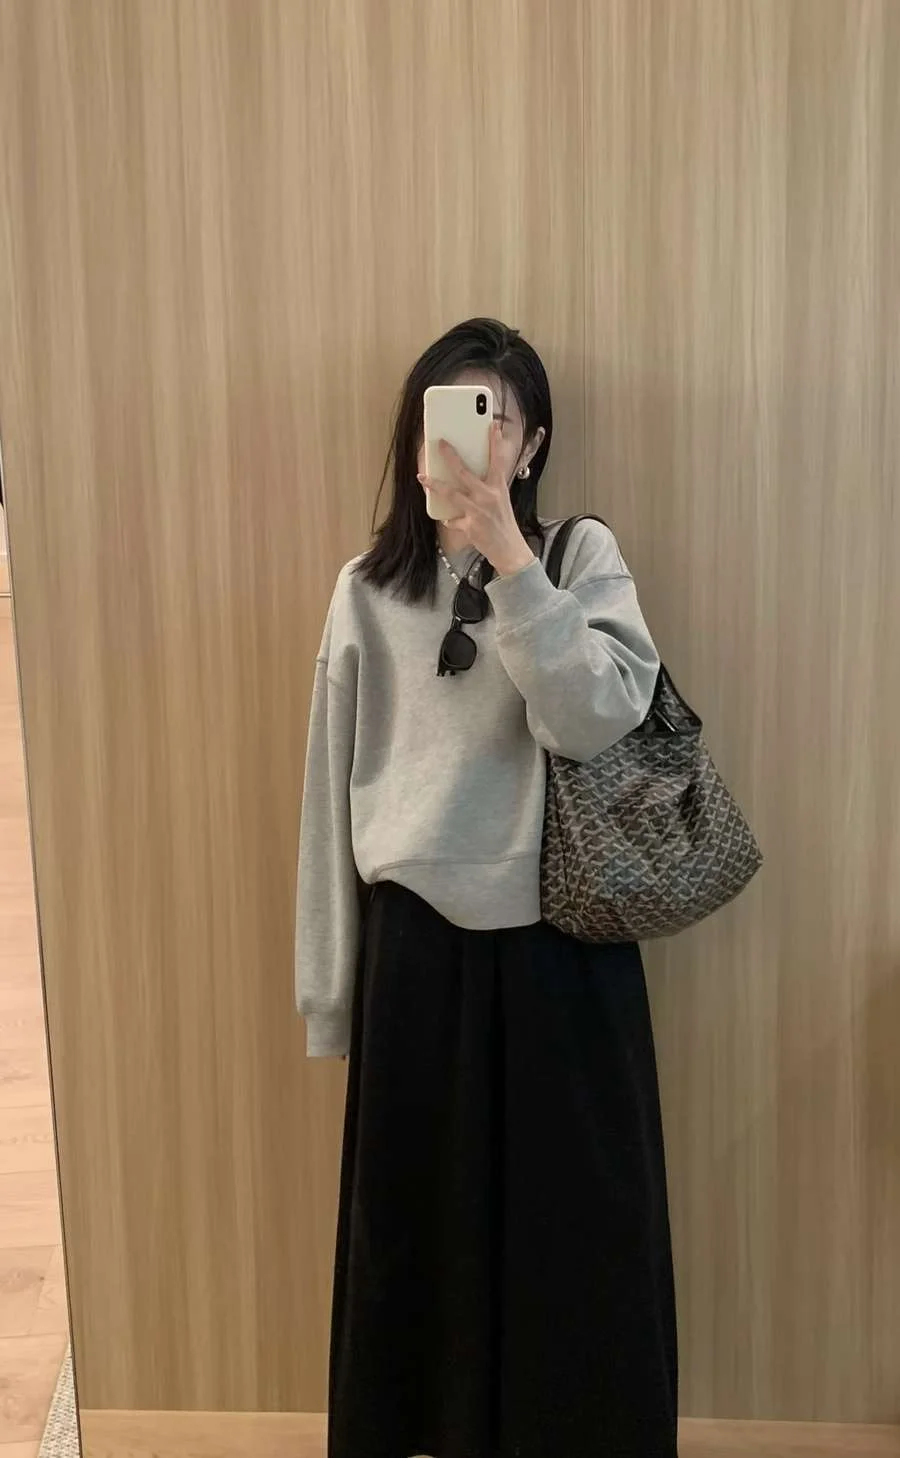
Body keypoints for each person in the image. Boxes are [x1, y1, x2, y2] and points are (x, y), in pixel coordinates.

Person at [295, 318, 678, 1458]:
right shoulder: (366, 590)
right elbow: (328, 799)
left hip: (569, 948)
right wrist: (331, 996)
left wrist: (513, 562)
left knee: (580, 1241)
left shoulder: (580, 560)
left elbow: (597, 720)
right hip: (416, 960)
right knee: (421, 1248)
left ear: (533, 442)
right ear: (416, 435)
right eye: (455, 415)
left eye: (498, 419)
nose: (476, 440)